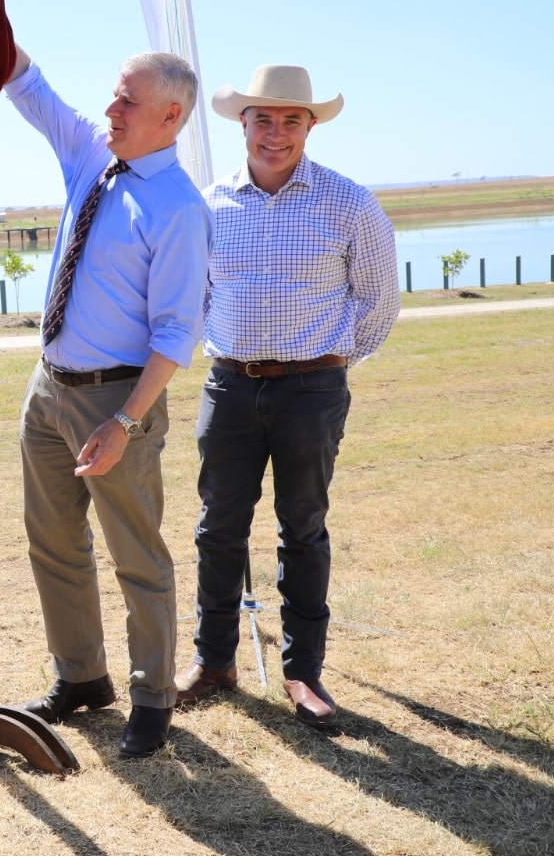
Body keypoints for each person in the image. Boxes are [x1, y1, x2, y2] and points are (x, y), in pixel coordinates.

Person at [175, 64, 400, 729]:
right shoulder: (209, 202)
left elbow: (378, 303)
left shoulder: (349, 202)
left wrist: (328, 360)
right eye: (263, 119)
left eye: (290, 120)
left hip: (312, 389)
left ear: (309, 126)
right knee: (217, 529)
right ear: (241, 123)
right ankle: (212, 662)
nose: (275, 133)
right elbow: (199, 296)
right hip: (229, 387)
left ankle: (303, 673)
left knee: (301, 529)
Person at [4, 45, 213, 759]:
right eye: (113, 96)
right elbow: (33, 91)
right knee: (53, 543)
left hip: (119, 398)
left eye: (127, 102)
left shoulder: (179, 209)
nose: (109, 111)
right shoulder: (92, 159)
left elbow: (176, 333)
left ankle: (152, 699)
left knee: (136, 555)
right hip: (48, 389)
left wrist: (125, 422)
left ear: (169, 116)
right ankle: (82, 677)